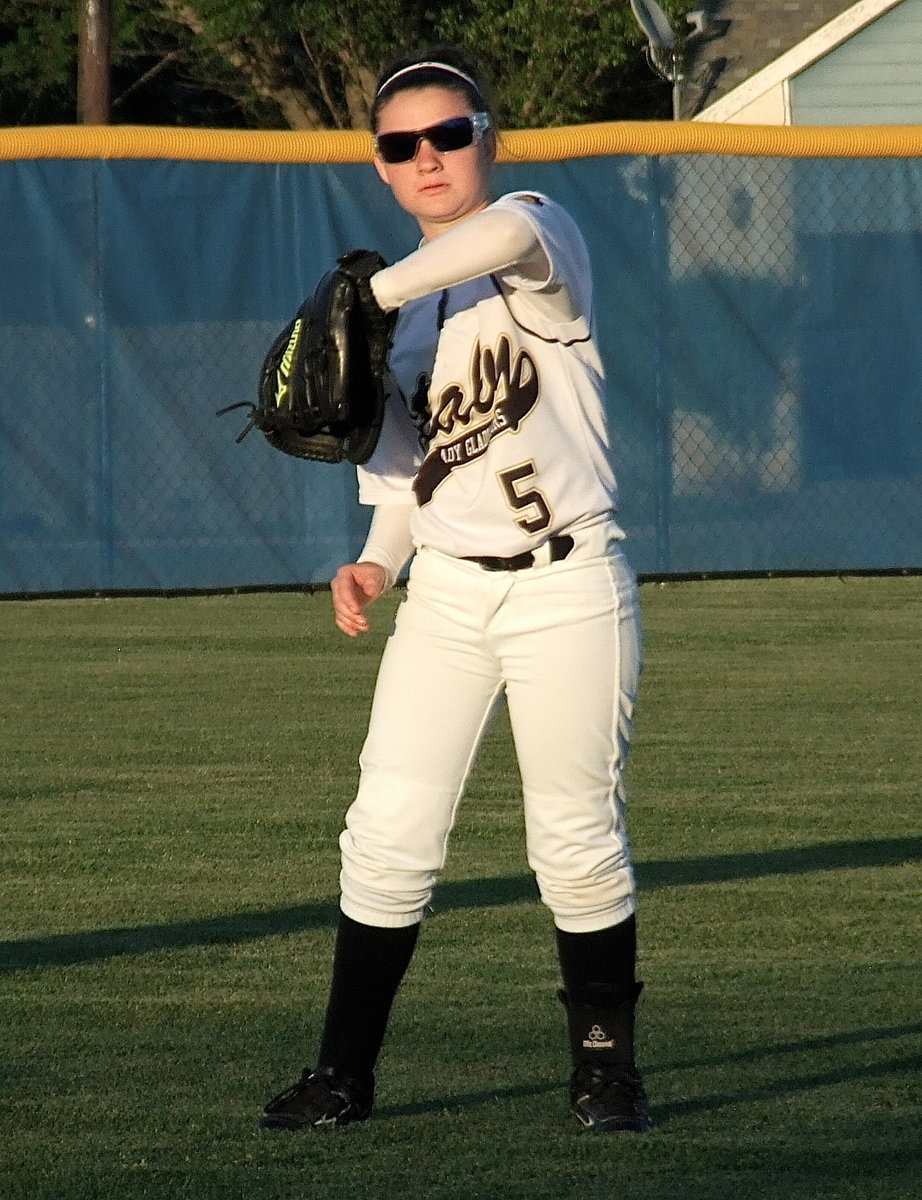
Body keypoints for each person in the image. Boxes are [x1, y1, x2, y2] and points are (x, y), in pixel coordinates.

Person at [258, 45, 652, 1136]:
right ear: (380, 167)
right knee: (386, 830)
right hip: (447, 601)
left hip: (568, 586)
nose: (427, 156)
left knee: (571, 837)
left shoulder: (533, 235)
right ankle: (343, 1075)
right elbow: (405, 482)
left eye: (448, 134)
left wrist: (365, 290)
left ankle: (606, 1071)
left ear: (487, 140)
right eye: (401, 145)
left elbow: (503, 235)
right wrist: (378, 561)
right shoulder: (394, 323)